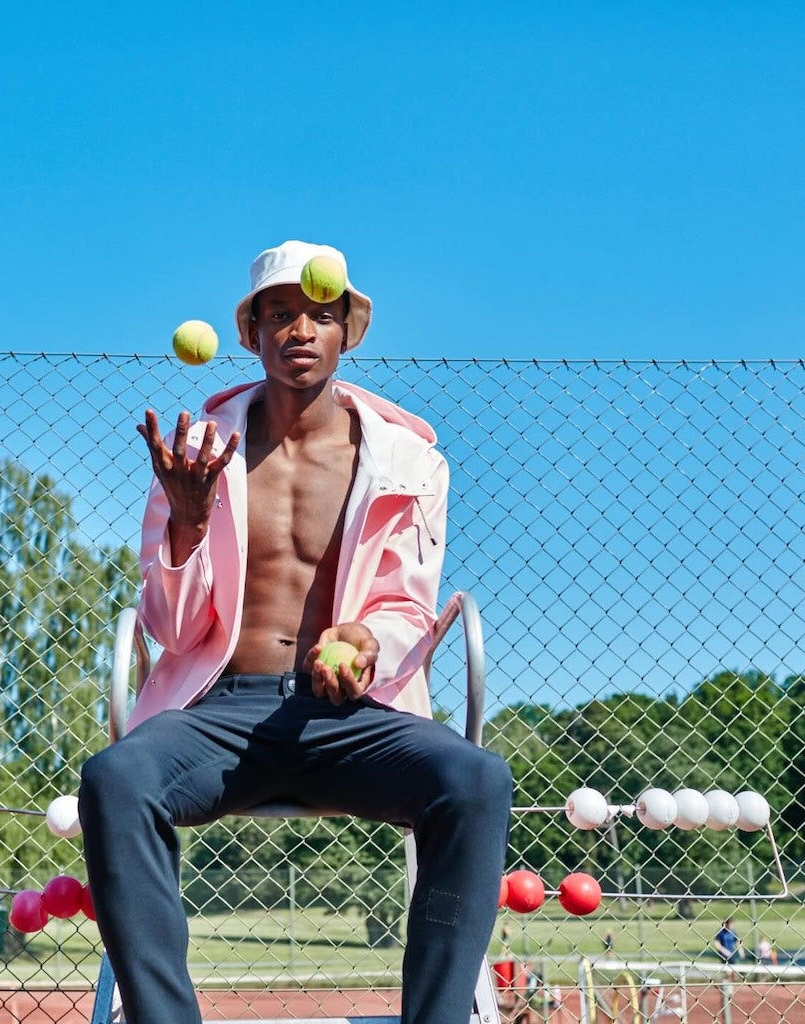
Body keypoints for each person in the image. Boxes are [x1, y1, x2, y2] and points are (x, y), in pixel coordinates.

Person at [79, 240, 514, 1024]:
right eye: (280, 314)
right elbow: (172, 631)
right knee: (115, 779)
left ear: (348, 331)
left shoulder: (411, 461)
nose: (300, 330)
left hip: (350, 717)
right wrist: (185, 520)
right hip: (219, 711)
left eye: (321, 313)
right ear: (250, 335)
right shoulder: (195, 452)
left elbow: (409, 605)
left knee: (476, 779)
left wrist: (369, 641)